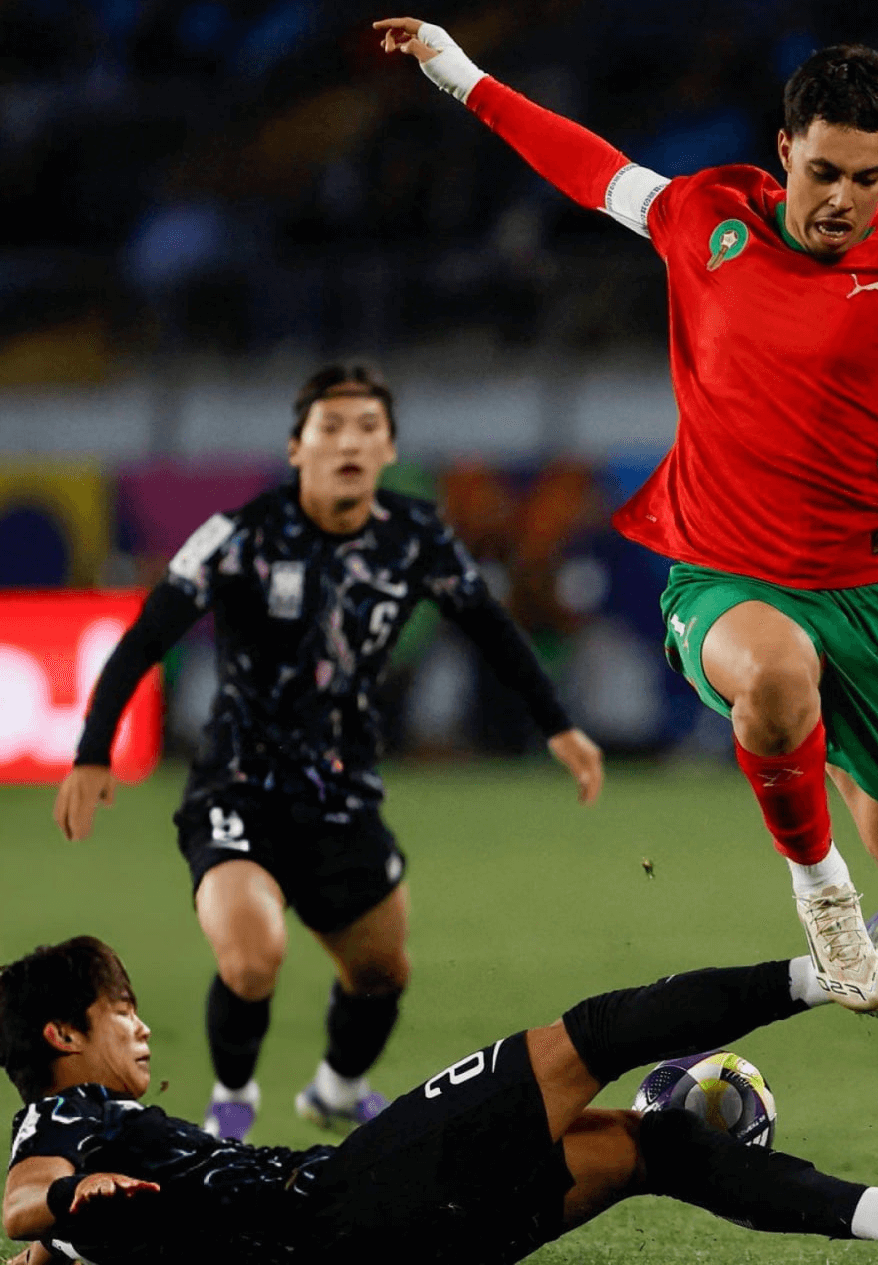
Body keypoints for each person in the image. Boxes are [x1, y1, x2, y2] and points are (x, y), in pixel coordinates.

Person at [373, 19, 878, 1058]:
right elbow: (586, 164)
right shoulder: (704, 216)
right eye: (826, 170)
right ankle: (820, 897)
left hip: (868, 599)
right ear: (783, 148)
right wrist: (457, 72)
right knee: (775, 678)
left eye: (870, 177)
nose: (843, 198)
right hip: (722, 576)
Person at [52, 364, 605, 1141]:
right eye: (331, 428)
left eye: (367, 430)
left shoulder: (415, 538)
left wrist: (559, 726)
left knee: (383, 974)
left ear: (387, 451)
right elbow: (145, 637)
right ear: (295, 448)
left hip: (343, 792)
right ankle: (231, 1106)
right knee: (252, 958)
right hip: (237, 785)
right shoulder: (239, 536)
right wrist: (91, 750)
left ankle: (336, 1089)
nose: (349, 442)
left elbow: (491, 628)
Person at [0, 933, 878, 1265]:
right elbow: (22, 1193)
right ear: (63, 1036)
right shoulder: (61, 1121)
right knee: (583, 1037)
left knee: (656, 1146)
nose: (140, 1025)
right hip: (338, 1203)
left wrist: (65, 1231)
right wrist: (59, 1205)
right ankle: (836, 968)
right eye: (118, 1009)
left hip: (386, 1233)